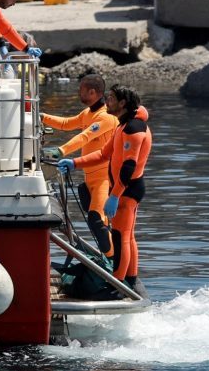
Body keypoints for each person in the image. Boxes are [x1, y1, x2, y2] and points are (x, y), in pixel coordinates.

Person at [58, 85, 150, 288]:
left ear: (123, 103)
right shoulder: (121, 126)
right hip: (121, 189)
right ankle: (130, 278)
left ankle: (117, 283)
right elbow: (102, 154)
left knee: (121, 237)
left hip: (127, 190)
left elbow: (129, 166)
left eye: (111, 98)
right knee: (127, 235)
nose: (106, 101)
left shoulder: (134, 129)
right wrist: (75, 163)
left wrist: (115, 196)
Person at [40, 74, 117, 255]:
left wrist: (61, 151)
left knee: (98, 220)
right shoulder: (88, 113)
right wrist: (42, 116)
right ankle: (110, 258)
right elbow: (67, 124)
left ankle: (114, 263)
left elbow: (84, 137)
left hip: (103, 178)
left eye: (81, 89)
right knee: (96, 223)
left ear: (92, 92)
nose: (78, 92)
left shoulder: (106, 117)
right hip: (89, 177)